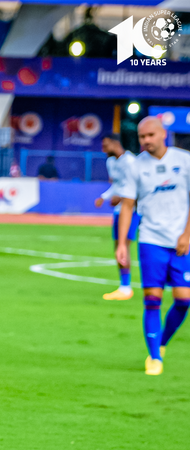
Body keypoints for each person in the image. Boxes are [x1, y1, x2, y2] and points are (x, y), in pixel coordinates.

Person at [116, 116, 190, 376]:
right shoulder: (135, 166)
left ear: (163, 134)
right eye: (141, 137)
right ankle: (155, 357)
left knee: (184, 301)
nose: (146, 140)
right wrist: (122, 243)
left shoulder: (184, 160)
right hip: (151, 240)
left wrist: (187, 234)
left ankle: (162, 342)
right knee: (152, 300)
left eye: (150, 135)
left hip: (181, 241)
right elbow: (127, 205)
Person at [95, 133, 139, 301]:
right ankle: (124, 285)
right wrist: (104, 197)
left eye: (105, 145)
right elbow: (116, 185)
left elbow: (136, 186)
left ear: (115, 144)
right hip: (119, 211)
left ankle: (126, 287)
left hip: (132, 210)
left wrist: (121, 197)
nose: (103, 149)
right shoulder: (111, 162)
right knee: (118, 247)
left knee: (124, 246)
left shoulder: (131, 162)